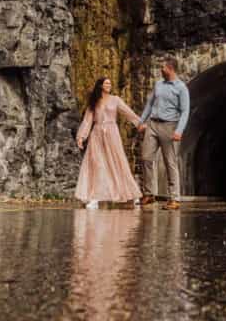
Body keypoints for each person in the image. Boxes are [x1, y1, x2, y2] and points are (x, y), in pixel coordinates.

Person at [75, 78, 143, 209]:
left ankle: (134, 194)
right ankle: (94, 198)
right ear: (100, 85)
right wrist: (81, 137)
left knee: (118, 162)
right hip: (97, 134)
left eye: (110, 83)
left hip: (112, 133)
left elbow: (128, 112)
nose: (109, 85)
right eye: (106, 83)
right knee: (97, 164)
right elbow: (87, 120)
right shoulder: (94, 101)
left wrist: (139, 123)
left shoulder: (115, 100)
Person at [137, 57, 190, 210]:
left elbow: (185, 111)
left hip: (170, 126)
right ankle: (149, 194)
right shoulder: (158, 84)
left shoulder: (181, 88)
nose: (161, 69)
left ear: (170, 68)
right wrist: (141, 121)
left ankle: (174, 198)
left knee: (170, 162)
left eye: (163, 67)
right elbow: (150, 103)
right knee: (146, 158)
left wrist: (179, 130)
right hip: (153, 124)